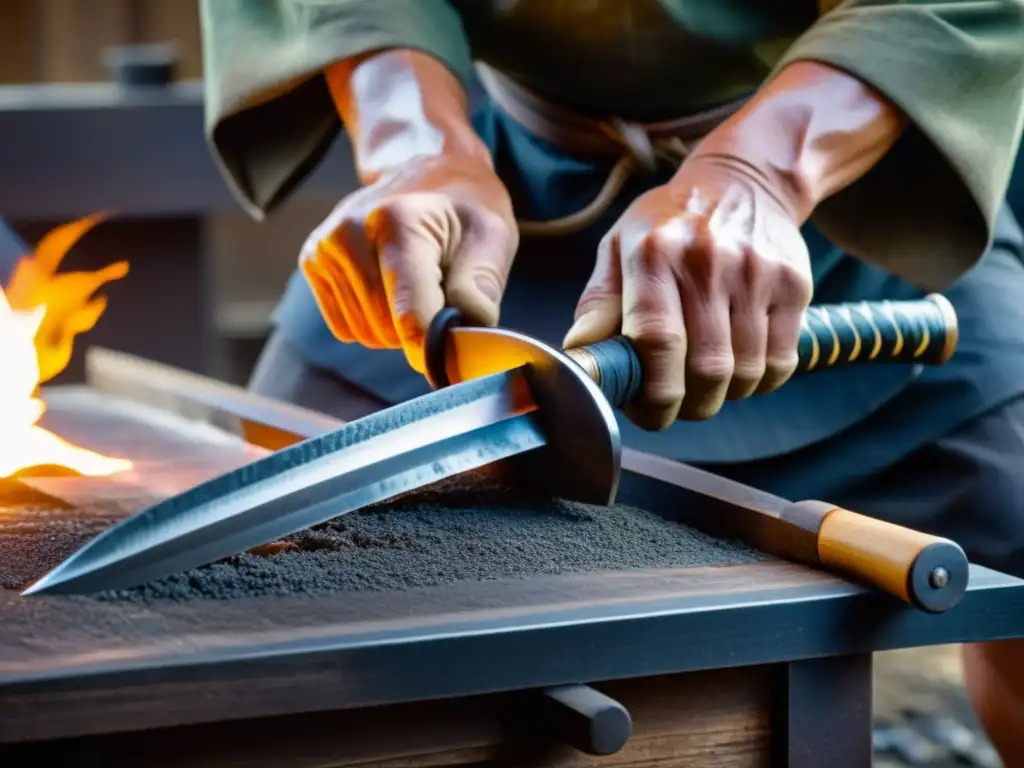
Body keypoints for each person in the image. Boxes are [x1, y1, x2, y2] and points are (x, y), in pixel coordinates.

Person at [198, 1, 1024, 760]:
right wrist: (416, 148)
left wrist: (755, 173)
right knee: (238, 560)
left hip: (846, 207)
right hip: (465, 238)